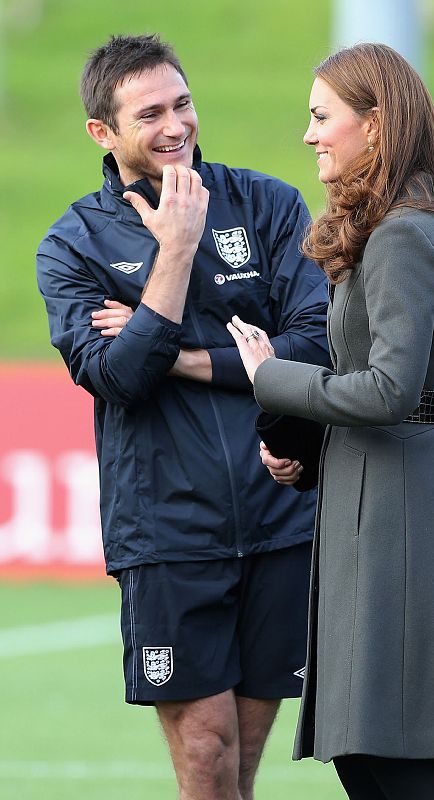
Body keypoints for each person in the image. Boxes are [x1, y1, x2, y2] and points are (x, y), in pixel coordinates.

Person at [36, 33, 330, 800]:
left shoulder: (268, 204)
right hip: (166, 531)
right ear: (103, 132)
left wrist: (174, 351)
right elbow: (117, 378)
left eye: (183, 103)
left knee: (241, 761)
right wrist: (176, 250)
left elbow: (309, 347)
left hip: (280, 514)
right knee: (206, 754)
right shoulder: (72, 245)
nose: (176, 127)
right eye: (151, 114)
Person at [227, 42, 434, 800]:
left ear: (377, 126)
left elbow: (391, 389)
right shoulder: (397, 227)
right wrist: (311, 457)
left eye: (323, 117)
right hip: (372, 492)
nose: (309, 134)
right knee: (370, 752)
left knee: (385, 752)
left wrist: (272, 378)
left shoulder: (404, 233)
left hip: (397, 508)